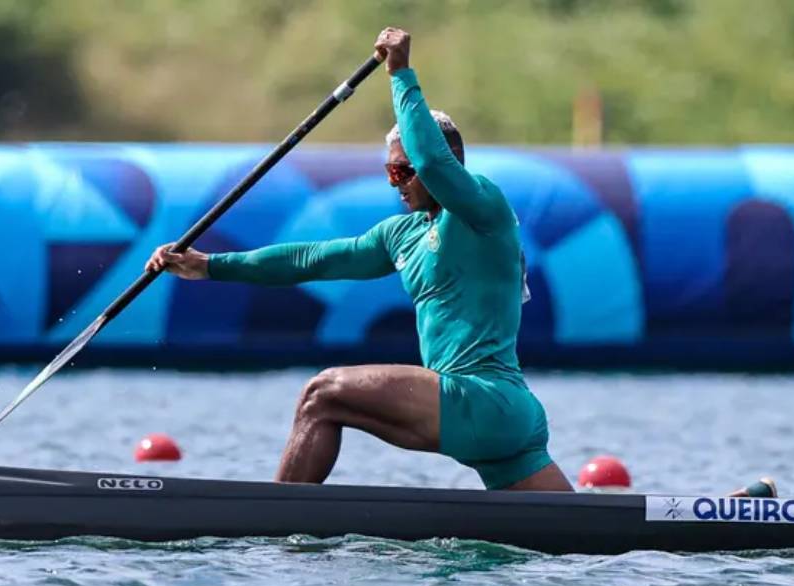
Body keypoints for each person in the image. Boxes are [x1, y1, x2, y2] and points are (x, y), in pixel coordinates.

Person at [146, 27, 572, 491]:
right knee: (581, 534)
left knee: (321, 394)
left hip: (484, 399)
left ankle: (274, 522)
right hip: (504, 425)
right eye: (390, 172)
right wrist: (210, 265)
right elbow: (312, 260)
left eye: (402, 170)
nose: (398, 182)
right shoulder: (402, 234)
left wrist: (400, 73)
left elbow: (431, 163)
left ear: (453, 162)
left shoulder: (483, 210)